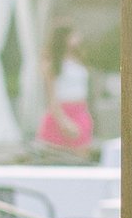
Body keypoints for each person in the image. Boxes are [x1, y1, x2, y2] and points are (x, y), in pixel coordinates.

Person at [36, 25, 94, 156]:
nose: (78, 38)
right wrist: (63, 121)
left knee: (82, 154)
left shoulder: (78, 58)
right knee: (55, 157)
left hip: (80, 111)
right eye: (73, 35)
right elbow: (51, 96)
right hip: (61, 112)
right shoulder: (53, 63)